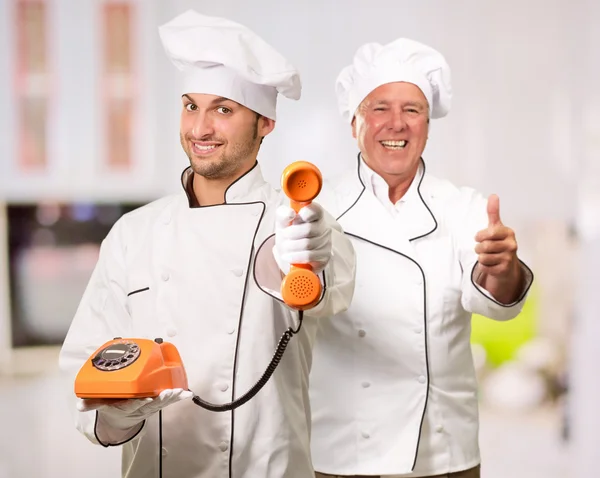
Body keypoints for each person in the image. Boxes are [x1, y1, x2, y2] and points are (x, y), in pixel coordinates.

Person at [58, 10, 355, 478]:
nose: (199, 129)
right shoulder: (134, 233)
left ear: (265, 123)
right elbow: (86, 371)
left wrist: (312, 263)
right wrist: (116, 411)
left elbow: (331, 288)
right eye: (191, 106)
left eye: (223, 109)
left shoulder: (300, 224)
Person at [309, 38, 534, 478]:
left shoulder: (463, 207)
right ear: (352, 120)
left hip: (443, 455)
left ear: (428, 126)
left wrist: (503, 269)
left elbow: (494, 299)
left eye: (413, 110)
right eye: (379, 108)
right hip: (339, 457)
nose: (397, 124)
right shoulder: (316, 207)